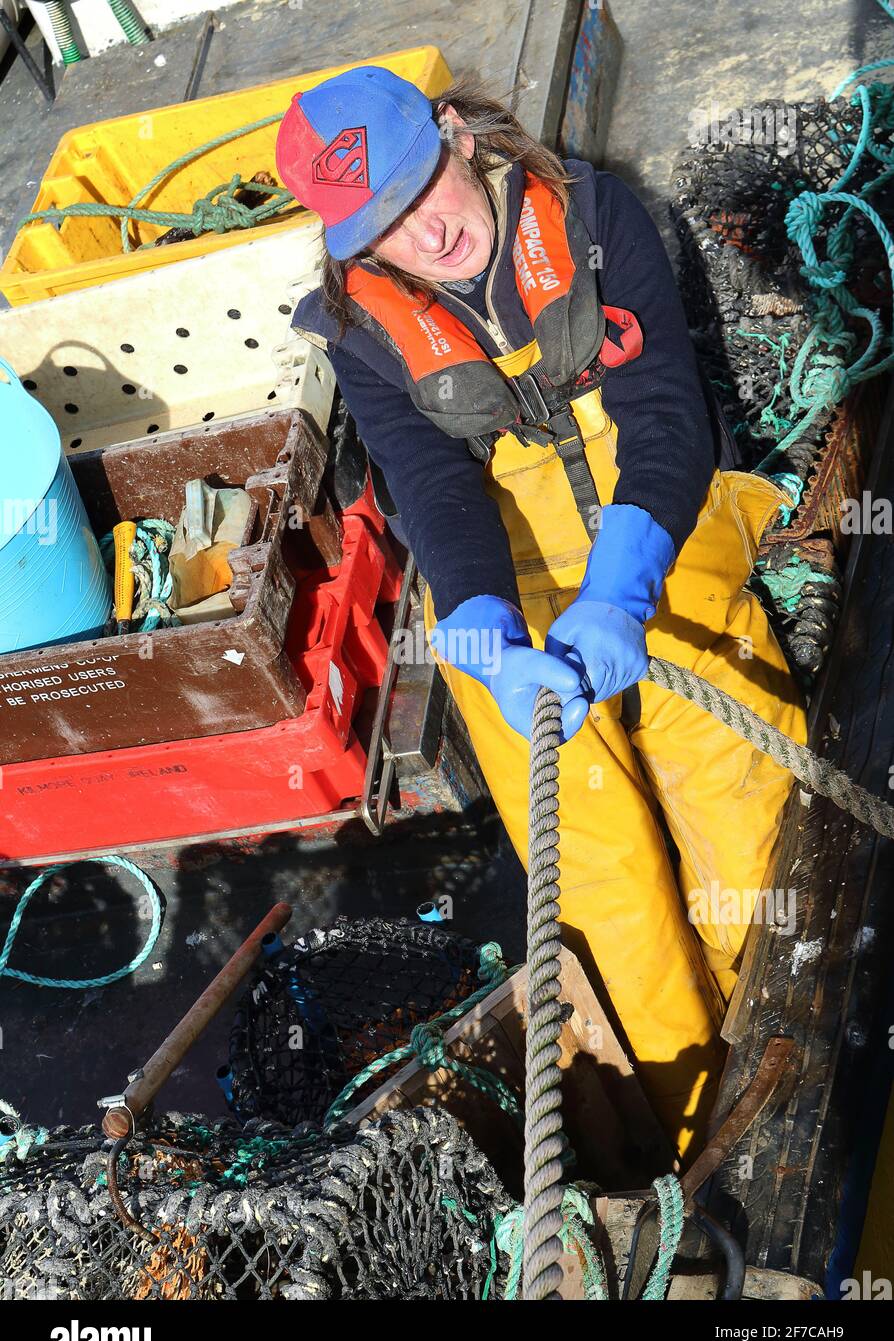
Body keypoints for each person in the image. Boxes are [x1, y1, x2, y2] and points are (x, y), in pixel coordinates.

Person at [276, 65, 807, 1155]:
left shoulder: (597, 215)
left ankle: (800, 1073)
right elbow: (431, 482)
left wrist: (619, 593)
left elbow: (664, 417)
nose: (425, 239)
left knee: (745, 823)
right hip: (504, 588)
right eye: (383, 231)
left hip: (653, 536)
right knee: (602, 888)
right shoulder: (356, 327)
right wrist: (476, 615)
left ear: (456, 137)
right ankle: (701, 1138)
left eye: (423, 191)